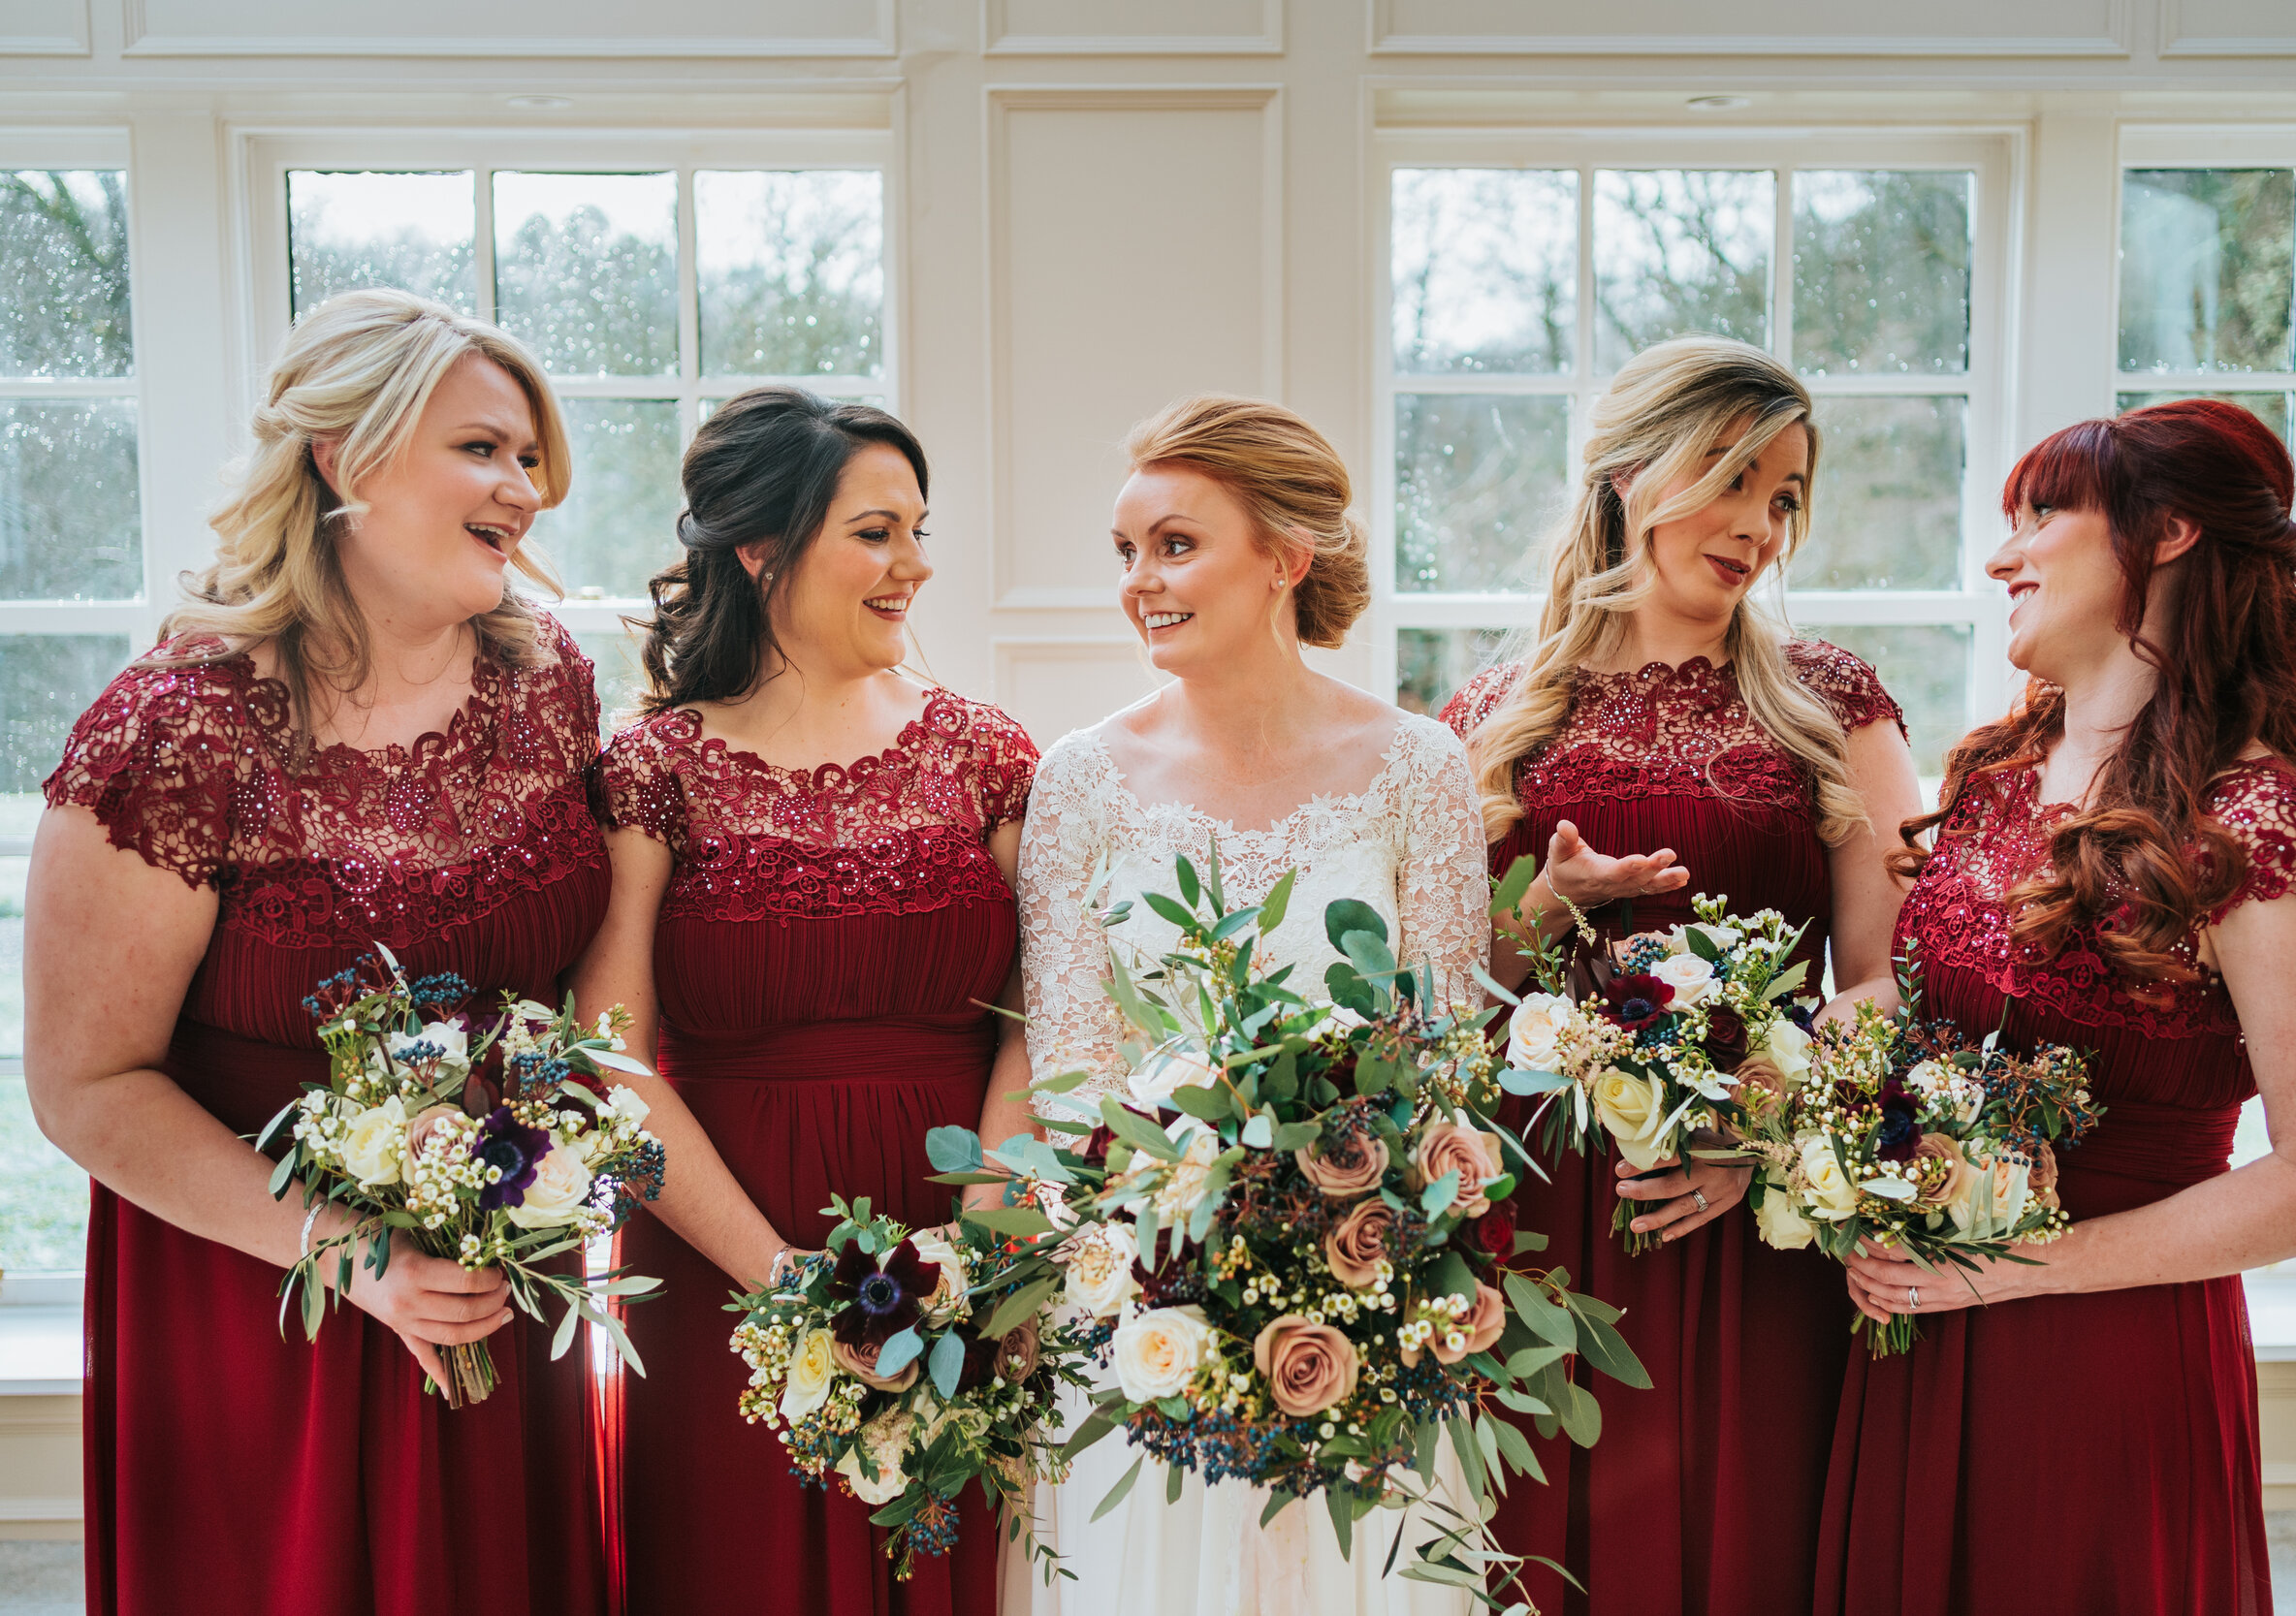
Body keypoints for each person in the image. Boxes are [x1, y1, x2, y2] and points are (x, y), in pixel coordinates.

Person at [27, 289, 608, 1615]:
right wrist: (350, 1251)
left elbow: (569, 992)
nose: (522, 489)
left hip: (497, 1270)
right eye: (483, 449)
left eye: (530, 460)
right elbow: (84, 1084)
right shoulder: (175, 731)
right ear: (343, 456)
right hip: (260, 1302)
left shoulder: (549, 682)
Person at [1816, 398, 2296, 1616]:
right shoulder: (1991, 774)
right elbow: (1912, 1017)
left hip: (2102, 1361)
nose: (2000, 555)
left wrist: (2021, 1266)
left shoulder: (2251, 824)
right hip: (1915, 1333)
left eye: (2039, 516)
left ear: (2166, 531)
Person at [1439, 335, 1923, 1616]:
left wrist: (1751, 1128)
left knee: (1753, 1536)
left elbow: (1892, 976)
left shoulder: (1834, 702)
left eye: (1786, 495)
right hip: (1544, 1206)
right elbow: (1445, 993)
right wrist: (1538, 910)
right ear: (1630, 472)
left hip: (1751, 1199)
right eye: (1735, 477)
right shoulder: (1489, 715)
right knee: (1551, 1544)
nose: (1761, 524)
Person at [1011, 395, 1492, 1616]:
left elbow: (1445, 1063)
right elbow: (1071, 1072)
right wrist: (1175, 1244)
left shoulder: (1418, 767)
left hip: (1360, 1282)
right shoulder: (1078, 779)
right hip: (1144, 1298)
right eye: (1125, 551)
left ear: (1285, 557)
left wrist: (1333, 1236)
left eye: (1174, 544)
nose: (1139, 580)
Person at [572, 388, 1036, 1616]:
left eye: (920, 530)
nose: (916, 566)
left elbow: (1043, 1014)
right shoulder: (654, 767)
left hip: (955, 1231)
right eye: (878, 532)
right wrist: (780, 1282)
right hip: (724, 1249)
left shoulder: (987, 752)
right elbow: (608, 1064)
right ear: (763, 545)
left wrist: (976, 1249)